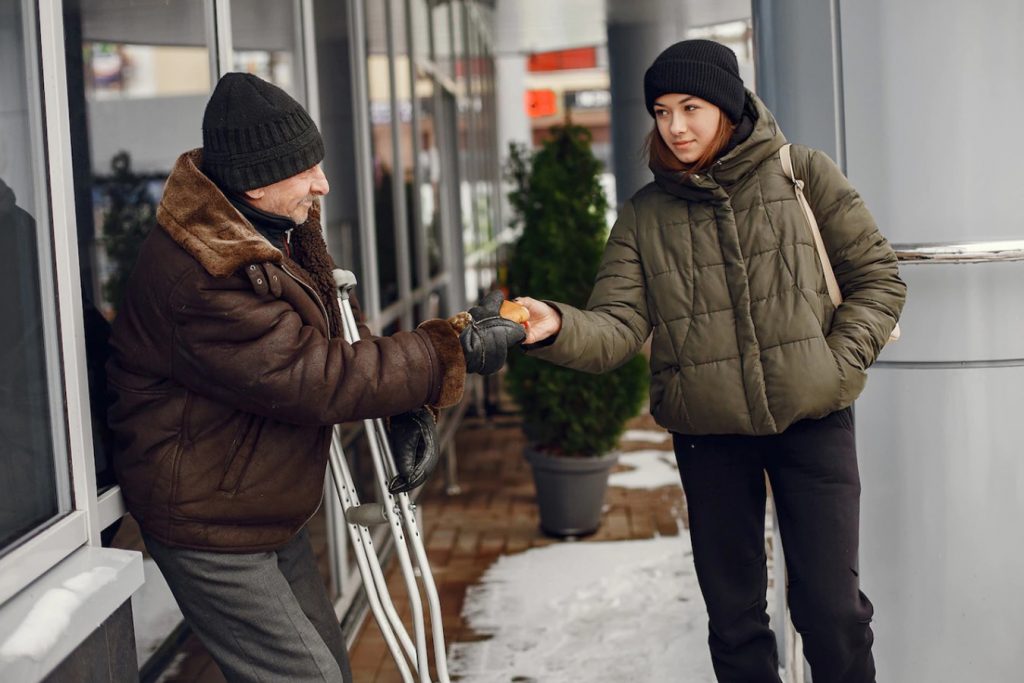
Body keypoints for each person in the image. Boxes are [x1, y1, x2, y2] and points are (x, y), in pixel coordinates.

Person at [107, 72, 524, 683]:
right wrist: (444, 353)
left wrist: (404, 401)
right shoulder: (205, 275)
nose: (323, 185)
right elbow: (314, 376)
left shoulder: (270, 229)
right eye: (305, 171)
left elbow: (325, 342)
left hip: (257, 500)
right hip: (209, 520)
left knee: (327, 666)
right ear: (255, 180)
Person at [517, 40, 905, 682]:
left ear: (727, 106)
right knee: (734, 620)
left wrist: (837, 363)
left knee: (831, 610)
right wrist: (557, 324)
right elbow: (616, 328)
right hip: (710, 437)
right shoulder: (645, 216)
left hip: (813, 422)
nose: (674, 125)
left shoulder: (802, 172)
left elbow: (878, 277)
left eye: (690, 107)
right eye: (662, 111)